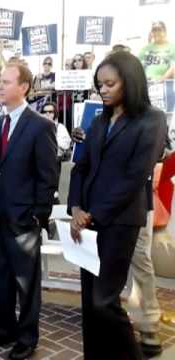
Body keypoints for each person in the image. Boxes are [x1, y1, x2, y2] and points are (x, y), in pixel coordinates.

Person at [68, 51, 166, 360]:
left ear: (130, 81)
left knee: (104, 301)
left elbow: (135, 176)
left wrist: (94, 214)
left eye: (110, 83)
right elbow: (81, 167)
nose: (104, 90)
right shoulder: (98, 121)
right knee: (89, 303)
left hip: (121, 220)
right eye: (100, 85)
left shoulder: (152, 119)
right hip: (87, 221)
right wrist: (75, 208)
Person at [0, 62, 58, 360]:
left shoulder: (41, 126)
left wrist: (38, 215)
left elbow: (47, 176)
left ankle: (27, 337)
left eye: (6, 82)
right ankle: (4, 329)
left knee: (26, 283)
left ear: (23, 87)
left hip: (24, 220)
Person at [40, 102, 71, 204]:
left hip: (54, 166)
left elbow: (64, 145)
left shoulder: (60, 128)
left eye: (50, 112)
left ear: (55, 114)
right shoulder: (37, 127)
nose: (48, 114)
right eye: (45, 112)